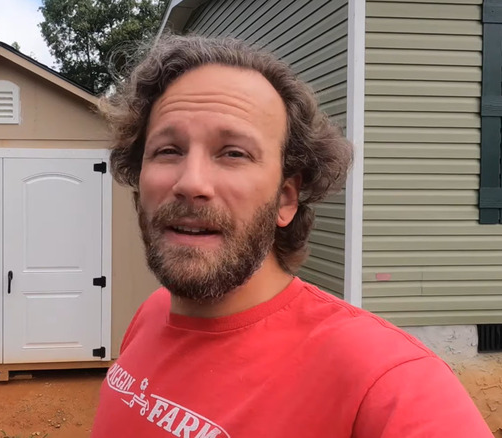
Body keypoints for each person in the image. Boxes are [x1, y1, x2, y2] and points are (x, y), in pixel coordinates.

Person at [90, 34, 493, 437]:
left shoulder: (390, 383)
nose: (191, 182)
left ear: (286, 199)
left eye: (233, 153)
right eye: (168, 150)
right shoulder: (153, 313)